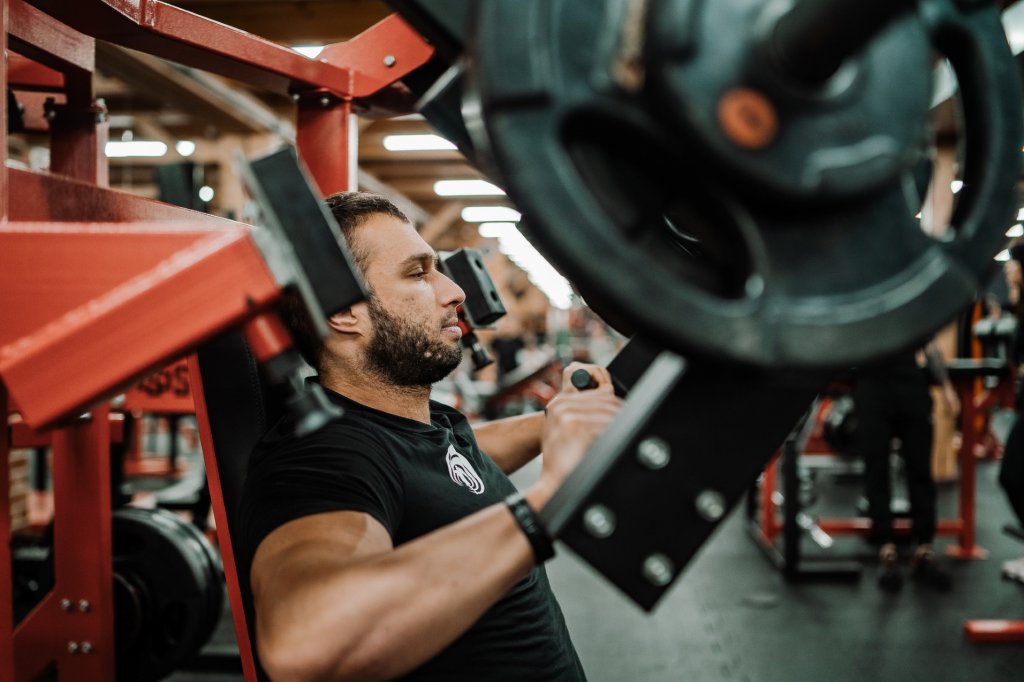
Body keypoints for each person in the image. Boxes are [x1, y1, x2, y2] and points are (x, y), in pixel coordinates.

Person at [236, 191, 622, 681]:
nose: (454, 291)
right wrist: (546, 504)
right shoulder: (322, 458)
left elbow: (442, 471)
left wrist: (559, 422)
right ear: (343, 311)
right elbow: (302, 642)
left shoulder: (419, 427)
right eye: (418, 273)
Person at [849, 342, 959, 592]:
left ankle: (925, 547)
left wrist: (947, 387)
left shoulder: (909, 315)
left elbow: (930, 347)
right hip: (872, 388)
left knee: (920, 470)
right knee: (876, 470)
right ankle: (885, 547)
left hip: (910, 387)